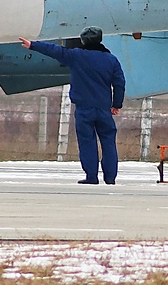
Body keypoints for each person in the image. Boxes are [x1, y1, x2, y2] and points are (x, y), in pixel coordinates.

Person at [20, 27, 125, 185]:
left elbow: (55, 50)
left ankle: (91, 176)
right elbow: (119, 83)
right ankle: (110, 178)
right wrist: (116, 104)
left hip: (84, 109)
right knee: (108, 142)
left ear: (83, 40)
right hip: (104, 109)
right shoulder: (111, 60)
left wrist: (33, 45)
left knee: (87, 142)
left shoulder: (76, 56)